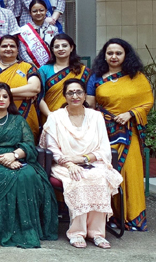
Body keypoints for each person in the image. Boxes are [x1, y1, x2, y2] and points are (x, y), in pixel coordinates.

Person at [0, 83, 58, 248]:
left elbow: (28, 144)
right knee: (10, 176)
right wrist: (3, 160)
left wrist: (14, 155)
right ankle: (7, 229)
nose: (1, 99)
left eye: (5, 96)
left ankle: (29, 228)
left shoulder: (18, 120)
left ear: (10, 99)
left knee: (28, 174)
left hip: (17, 157)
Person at [41, 79, 125, 248]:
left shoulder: (96, 117)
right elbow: (51, 148)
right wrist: (70, 164)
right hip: (64, 164)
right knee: (78, 179)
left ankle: (97, 233)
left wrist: (83, 159)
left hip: (92, 161)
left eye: (79, 92)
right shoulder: (55, 118)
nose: (75, 96)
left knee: (100, 178)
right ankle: (77, 232)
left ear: (85, 94)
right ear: (65, 96)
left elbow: (104, 147)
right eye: (70, 92)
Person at [87, 38, 153, 231]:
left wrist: (130, 114)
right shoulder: (96, 77)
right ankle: (111, 216)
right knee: (108, 171)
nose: (113, 57)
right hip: (104, 131)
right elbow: (90, 104)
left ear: (126, 55)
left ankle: (133, 217)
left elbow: (147, 101)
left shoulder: (136, 76)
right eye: (110, 53)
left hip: (129, 130)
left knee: (129, 171)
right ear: (104, 55)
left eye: (118, 53)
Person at [0, 35, 42, 136]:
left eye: (12, 46)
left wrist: (5, 93)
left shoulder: (28, 66)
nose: (8, 49)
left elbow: (35, 88)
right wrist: (25, 94)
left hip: (27, 113)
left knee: (27, 144)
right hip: (1, 114)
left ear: (18, 50)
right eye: (4, 46)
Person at [38, 33, 89, 122]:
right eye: (57, 47)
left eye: (64, 46)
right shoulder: (44, 70)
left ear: (71, 48)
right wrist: (50, 115)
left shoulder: (82, 70)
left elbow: (87, 97)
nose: (60, 49)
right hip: (50, 118)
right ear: (52, 50)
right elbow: (39, 97)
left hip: (77, 118)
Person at [18, 0, 59, 68]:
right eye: (34, 11)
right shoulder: (23, 30)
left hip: (51, 65)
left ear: (46, 11)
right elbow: (22, 52)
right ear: (30, 12)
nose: (38, 13)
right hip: (29, 66)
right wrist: (32, 65)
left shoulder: (54, 29)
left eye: (41, 10)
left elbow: (56, 47)